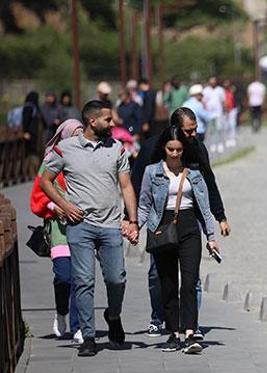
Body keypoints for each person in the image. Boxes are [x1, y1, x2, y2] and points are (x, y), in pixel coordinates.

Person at [39, 100, 139, 357]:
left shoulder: (117, 148)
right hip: (79, 225)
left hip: (110, 225)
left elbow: (126, 186)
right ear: (92, 121)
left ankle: (113, 316)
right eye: (107, 119)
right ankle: (89, 337)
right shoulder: (65, 149)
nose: (113, 123)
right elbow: (45, 180)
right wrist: (64, 204)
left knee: (116, 278)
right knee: (83, 281)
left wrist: (133, 220)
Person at [131, 107, 230, 338]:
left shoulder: (197, 148)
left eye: (195, 130)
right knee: (159, 274)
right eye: (189, 130)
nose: (194, 134)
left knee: (190, 276)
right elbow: (138, 187)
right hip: (160, 220)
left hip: (188, 218)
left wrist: (220, 216)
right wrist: (132, 220)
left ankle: (189, 325)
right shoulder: (152, 149)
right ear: (175, 129)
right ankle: (159, 317)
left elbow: (209, 182)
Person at [29, 119, 84, 343]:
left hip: (82, 227)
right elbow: (37, 196)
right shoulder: (51, 161)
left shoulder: (85, 159)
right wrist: (55, 206)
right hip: (59, 229)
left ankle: (78, 326)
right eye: (73, 135)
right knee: (64, 276)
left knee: (81, 278)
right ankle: (61, 310)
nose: (77, 139)